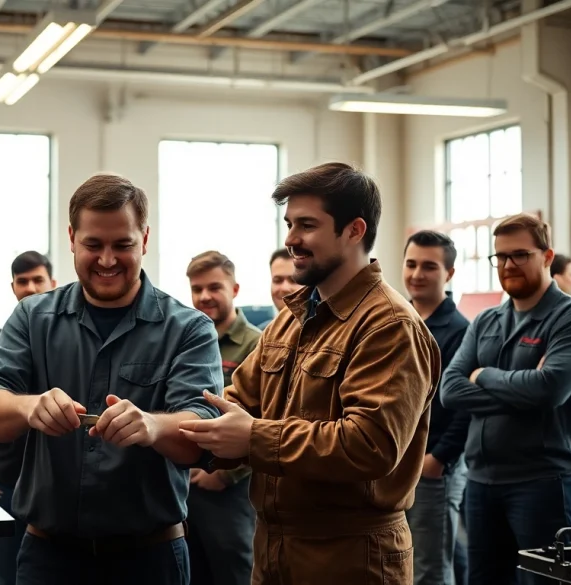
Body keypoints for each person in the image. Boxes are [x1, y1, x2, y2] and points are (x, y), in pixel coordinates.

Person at [179, 162, 440, 584]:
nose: (290, 239)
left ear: (354, 230)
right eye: (289, 224)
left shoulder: (389, 325)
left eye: (307, 225)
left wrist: (253, 437)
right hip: (276, 550)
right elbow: (236, 402)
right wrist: (157, 424)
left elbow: (370, 444)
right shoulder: (291, 319)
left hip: (351, 558)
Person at [0, 173, 224, 585]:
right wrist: (28, 407)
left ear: (145, 240)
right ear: (71, 238)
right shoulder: (32, 318)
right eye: (93, 244)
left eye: (122, 245)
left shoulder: (188, 329)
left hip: (150, 562)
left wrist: (153, 426)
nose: (106, 260)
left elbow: (205, 431)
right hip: (49, 561)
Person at [439, 213, 571, 585]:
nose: (508, 264)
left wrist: (483, 375)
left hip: (543, 483)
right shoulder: (486, 322)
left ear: (547, 257)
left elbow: (548, 390)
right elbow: (450, 390)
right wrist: (524, 393)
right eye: (500, 256)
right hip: (481, 483)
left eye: (520, 255)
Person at [0, 250, 57, 585]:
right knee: (7, 572)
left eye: (38, 280)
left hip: (58, 481)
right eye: (23, 281)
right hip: (7, 476)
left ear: (53, 283)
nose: (30, 287)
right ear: (13, 287)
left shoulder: (71, 339)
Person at [184, 251, 258, 585]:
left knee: (234, 573)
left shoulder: (256, 344)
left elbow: (267, 419)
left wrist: (226, 475)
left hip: (231, 489)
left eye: (214, 287)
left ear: (235, 289)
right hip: (187, 485)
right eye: (197, 288)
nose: (204, 296)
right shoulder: (186, 343)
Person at [401, 231, 471, 585]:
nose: (417, 274)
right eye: (411, 264)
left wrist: (439, 458)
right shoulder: (395, 322)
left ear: (449, 273)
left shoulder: (460, 331)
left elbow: (466, 406)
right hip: (394, 462)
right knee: (406, 559)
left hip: (432, 467)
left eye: (429, 266)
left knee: (429, 570)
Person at [258, 248, 302, 329]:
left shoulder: (321, 332)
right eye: (277, 280)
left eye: (293, 280)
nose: (284, 288)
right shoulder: (263, 332)